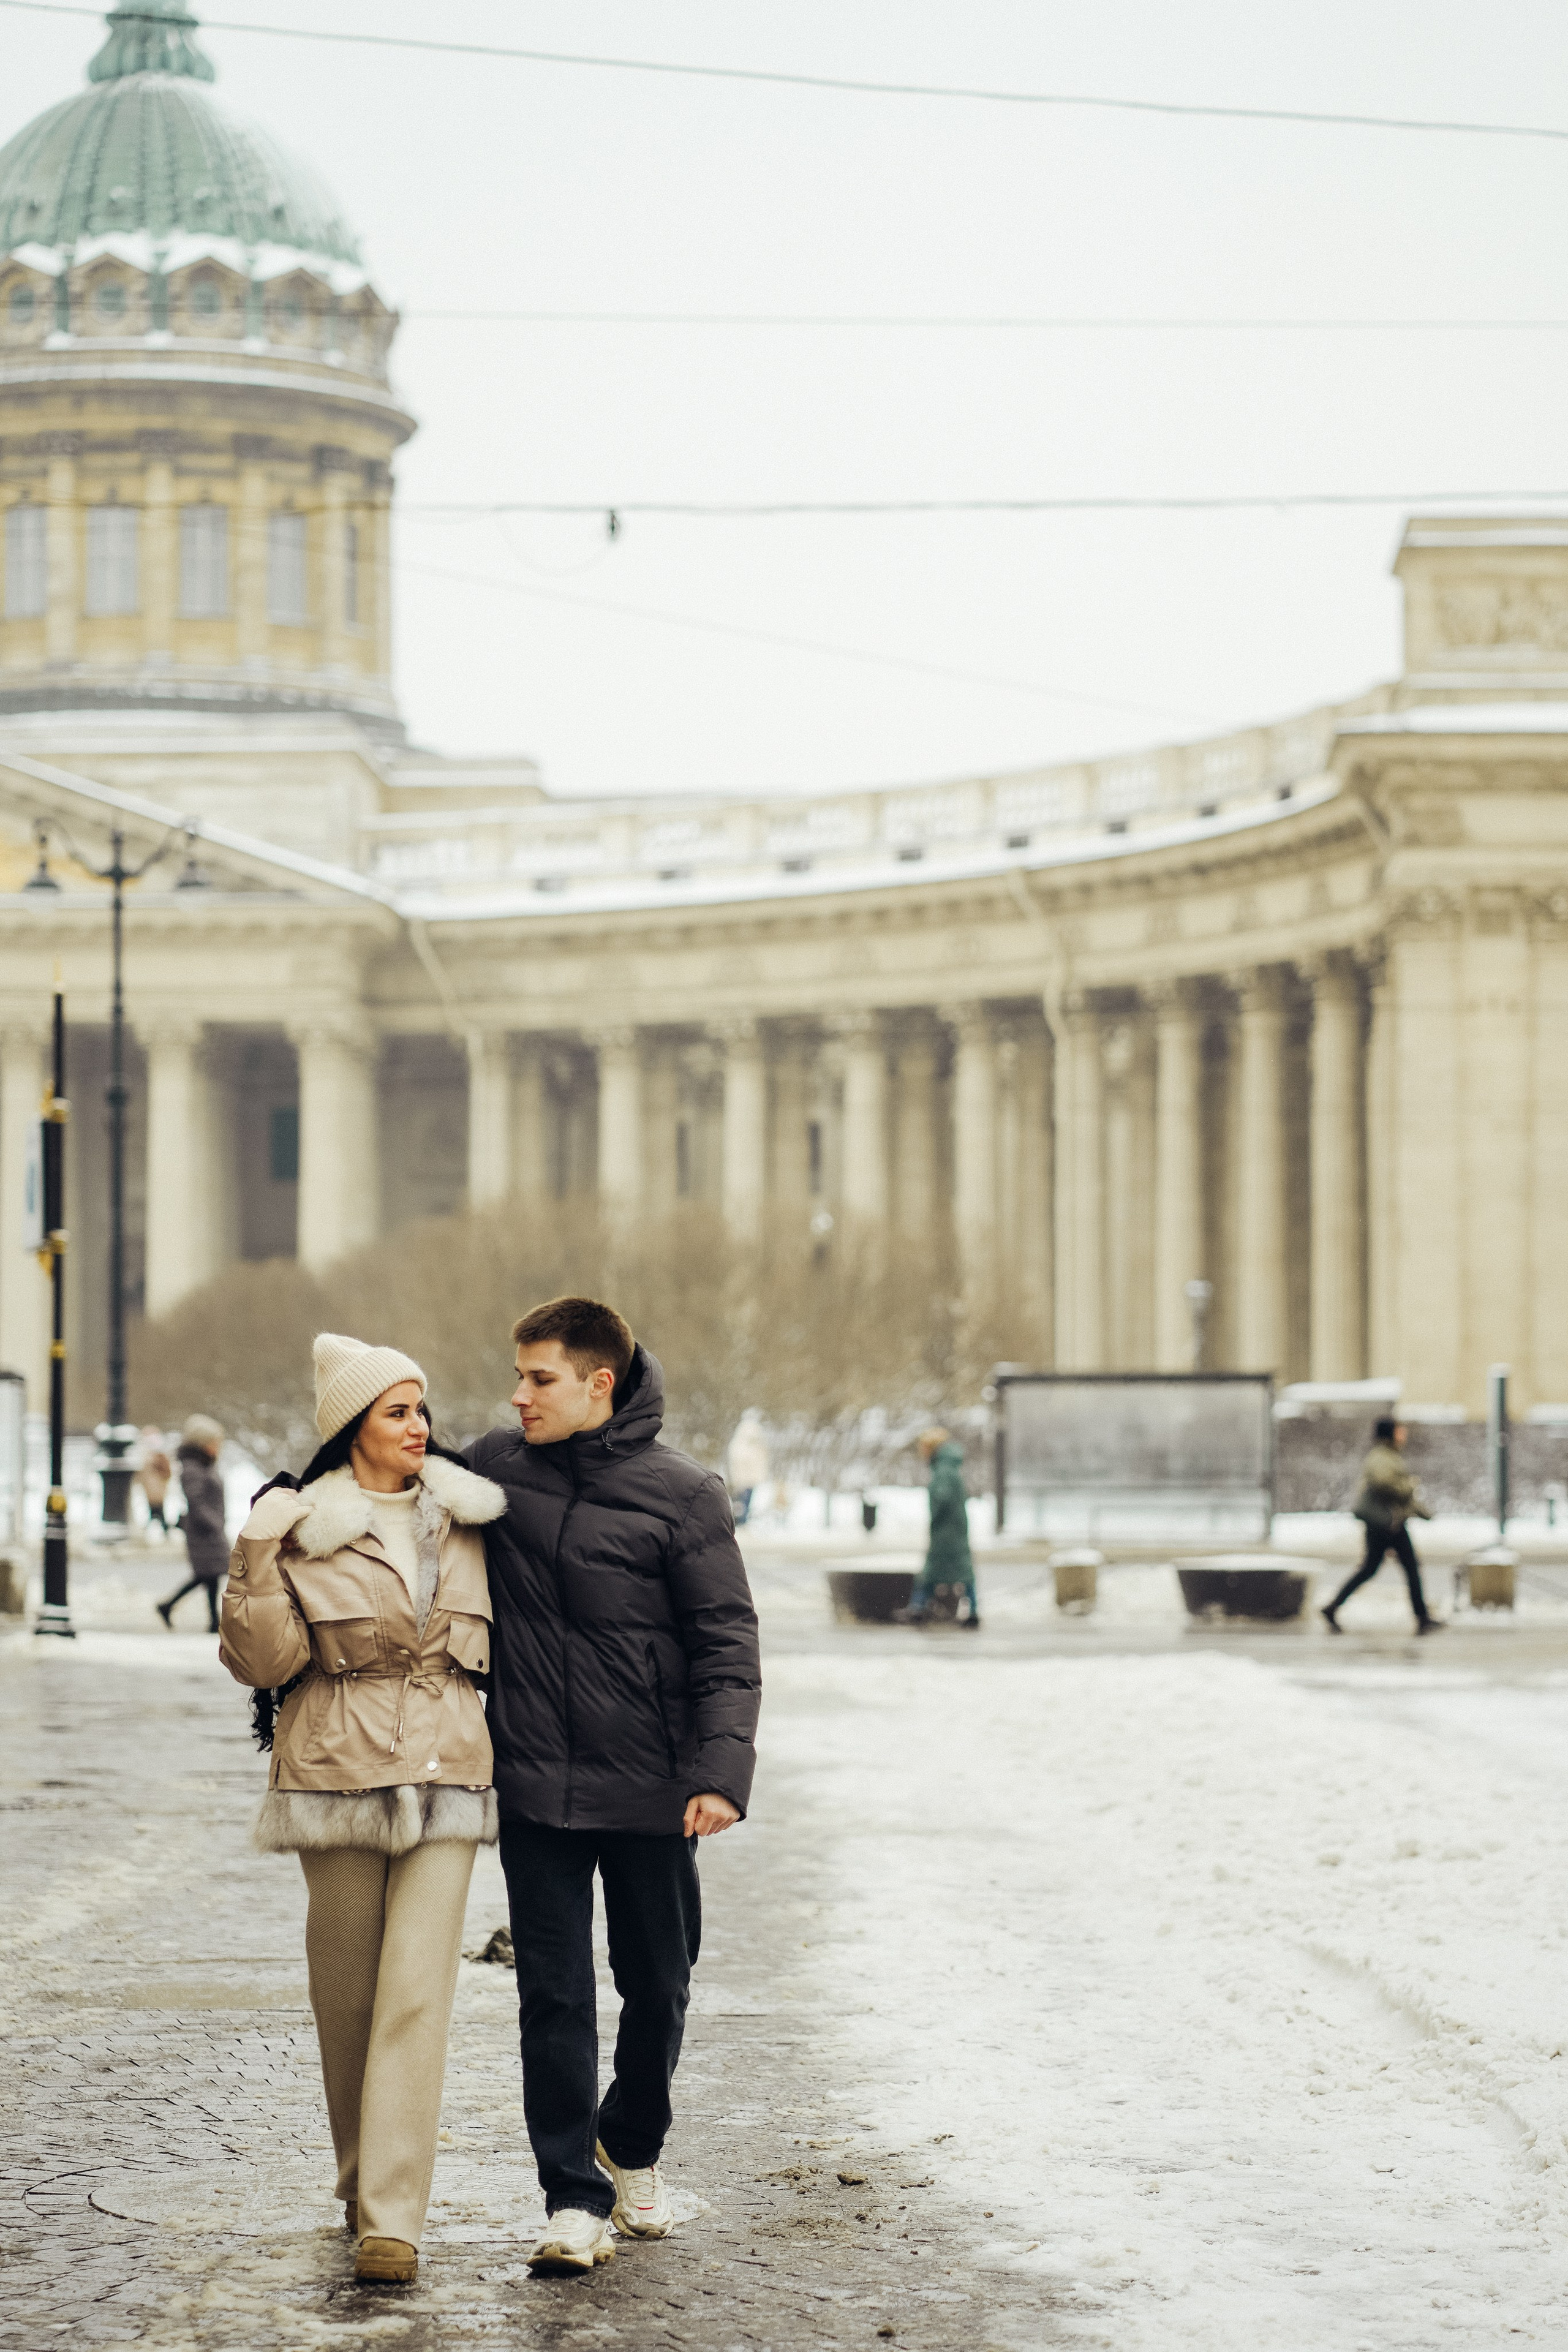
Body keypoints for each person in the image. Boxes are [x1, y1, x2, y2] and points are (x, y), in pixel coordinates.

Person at [467, 1296, 761, 2277]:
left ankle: (628, 2146)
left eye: (540, 1379)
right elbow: (382, 1477)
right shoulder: (494, 1470)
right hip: (537, 1784)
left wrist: (720, 1772)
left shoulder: (686, 1495)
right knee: (553, 1995)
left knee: (660, 1987)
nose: (519, 1398)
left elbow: (727, 1644)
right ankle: (572, 2199)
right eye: (518, 1377)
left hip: (652, 1787)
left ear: (601, 1382)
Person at [219, 1333, 506, 2285]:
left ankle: (393, 2217)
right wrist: (255, 1556)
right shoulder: (299, 1526)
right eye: (398, 1411)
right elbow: (264, 1667)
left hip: (451, 1775)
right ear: (354, 1427)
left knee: (417, 1995)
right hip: (334, 1778)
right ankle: (357, 2182)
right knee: (347, 2000)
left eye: (423, 1409)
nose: (420, 1427)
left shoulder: (471, 1518)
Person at [1323, 1417, 1441, 1636]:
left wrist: (1424, 1513)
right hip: (1388, 1524)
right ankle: (1422, 1617)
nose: (1403, 1434)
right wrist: (1407, 1487)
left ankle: (1333, 1607)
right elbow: (1384, 1483)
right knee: (1409, 1568)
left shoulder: (1389, 1456)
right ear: (1390, 1434)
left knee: (1372, 1569)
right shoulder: (1382, 1457)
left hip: (1388, 1523)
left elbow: (1404, 1498)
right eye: (1399, 1431)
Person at [902, 1428, 979, 1629]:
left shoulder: (943, 1470)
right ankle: (972, 1610)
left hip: (946, 1531)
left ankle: (918, 1607)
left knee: (933, 1571)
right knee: (963, 1570)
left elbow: (942, 1498)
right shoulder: (949, 1466)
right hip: (956, 1527)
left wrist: (935, 1515)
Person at [156, 1415, 228, 1629]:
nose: (217, 1447)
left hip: (209, 1528)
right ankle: (207, 1619)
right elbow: (196, 1502)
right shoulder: (193, 1468)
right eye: (214, 1442)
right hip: (203, 1531)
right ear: (202, 1443)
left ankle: (209, 1619)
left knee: (209, 1575)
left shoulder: (203, 1464)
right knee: (208, 1574)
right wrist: (214, 1524)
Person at [725, 1408, 771, 1526]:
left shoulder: (739, 1443)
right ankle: (741, 1522)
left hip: (744, 1479)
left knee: (743, 1502)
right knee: (743, 1502)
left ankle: (742, 1521)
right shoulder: (748, 1445)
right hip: (746, 1479)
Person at [137, 1426, 173, 1536]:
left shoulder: (158, 1457)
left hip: (157, 1488)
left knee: (158, 1509)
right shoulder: (149, 1457)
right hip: (153, 1488)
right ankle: (160, 1527)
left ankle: (162, 1527)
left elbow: (167, 1473)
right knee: (155, 1509)